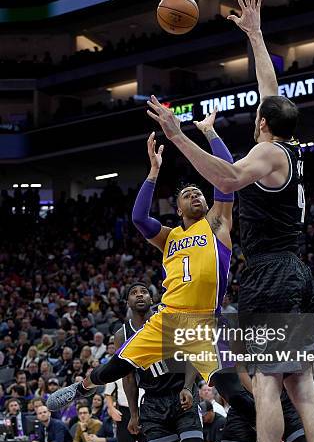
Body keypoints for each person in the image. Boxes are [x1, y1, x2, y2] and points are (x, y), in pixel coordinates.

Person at [147, 0, 314, 442]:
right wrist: (256, 35)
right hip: (297, 274)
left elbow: (228, 180)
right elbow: (272, 93)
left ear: (260, 124)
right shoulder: (291, 144)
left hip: (268, 275)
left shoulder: (264, 154)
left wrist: (178, 136)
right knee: (300, 384)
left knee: (265, 382)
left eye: (258, 114)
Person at [47, 114, 234, 408]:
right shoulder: (168, 237)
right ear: (178, 207)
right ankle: (83, 388)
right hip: (169, 317)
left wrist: (209, 132)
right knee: (119, 364)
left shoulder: (216, 223)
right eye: (188, 194)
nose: (196, 195)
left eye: (199, 192)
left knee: (233, 391)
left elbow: (227, 176)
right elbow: (138, 218)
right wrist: (153, 172)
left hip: (205, 321)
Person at [106, 282, 163, 442]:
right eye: (133, 293)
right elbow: (111, 389)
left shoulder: (160, 323)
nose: (139, 295)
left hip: (150, 400)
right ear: (127, 302)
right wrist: (112, 408)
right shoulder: (121, 338)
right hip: (125, 410)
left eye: (144, 292)